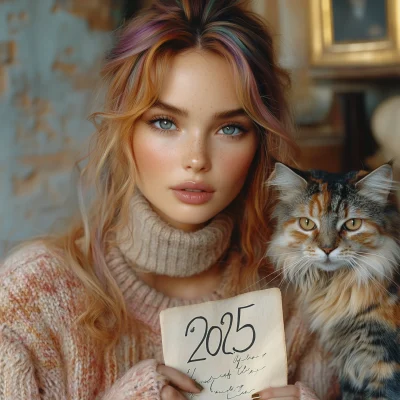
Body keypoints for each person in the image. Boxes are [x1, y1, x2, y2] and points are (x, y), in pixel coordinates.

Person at [0, 1, 339, 399]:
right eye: (165, 122)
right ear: (124, 130)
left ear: (260, 144)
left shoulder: (304, 297)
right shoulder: (31, 299)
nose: (196, 159)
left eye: (230, 128)